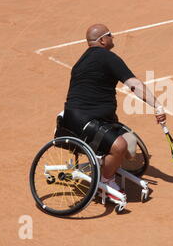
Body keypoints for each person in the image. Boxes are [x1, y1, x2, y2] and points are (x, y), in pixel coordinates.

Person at [62, 23, 166, 200]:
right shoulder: (107, 57)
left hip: (93, 118)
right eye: (110, 35)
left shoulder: (81, 61)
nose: (113, 37)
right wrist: (157, 106)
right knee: (120, 146)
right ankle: (106, 181)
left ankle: (106, 164)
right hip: (83, 120)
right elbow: (134, 85)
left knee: (131, 144)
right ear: (102, 40)